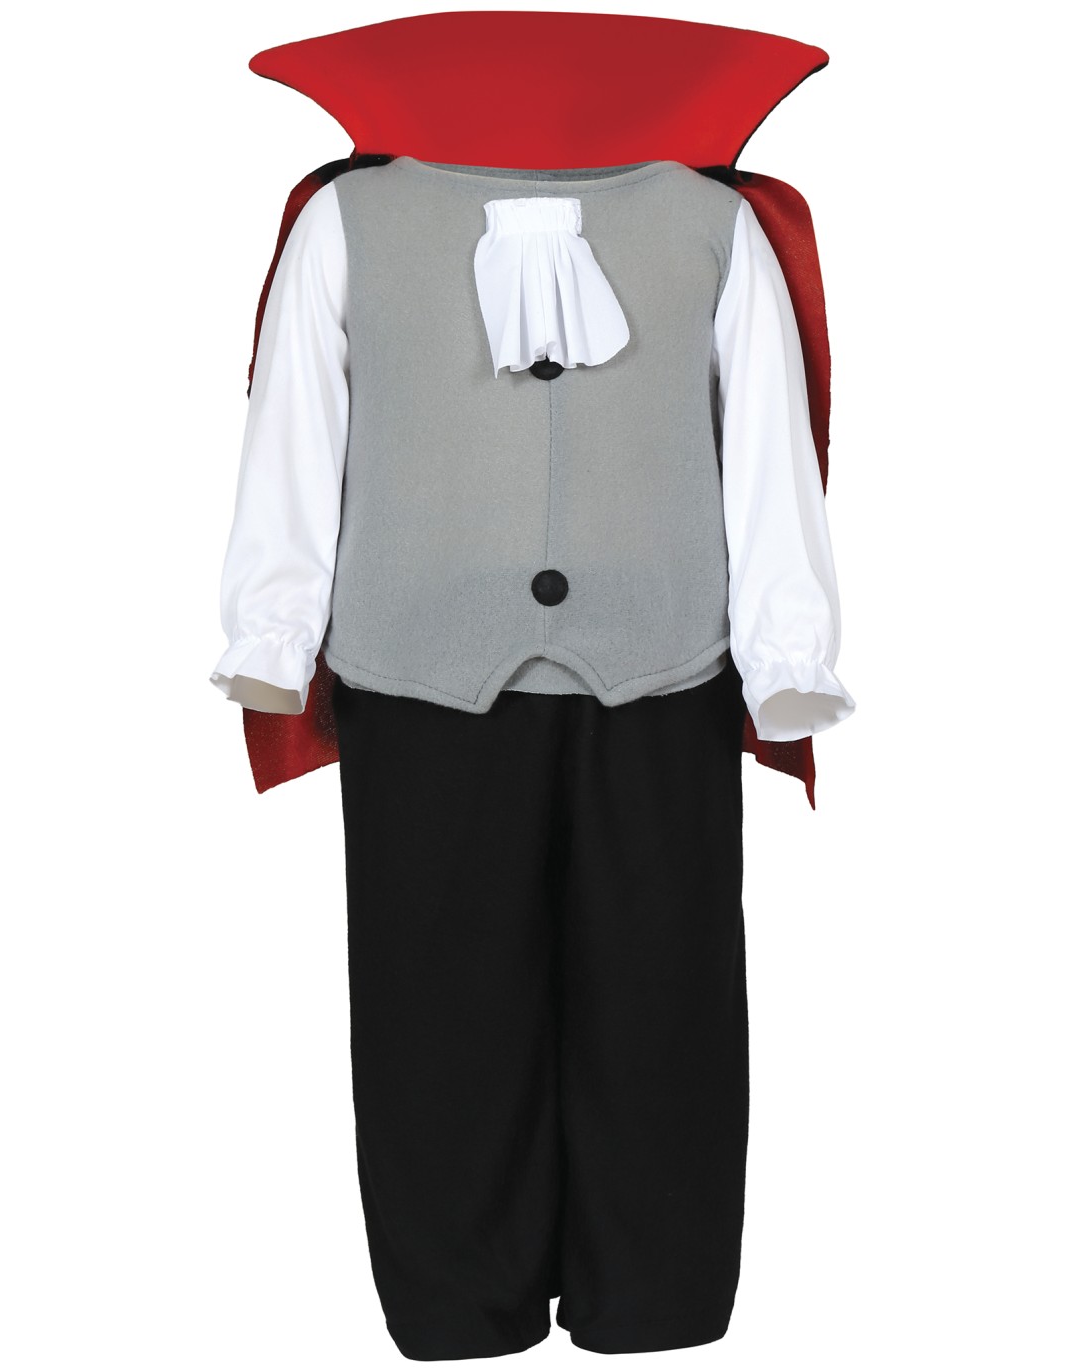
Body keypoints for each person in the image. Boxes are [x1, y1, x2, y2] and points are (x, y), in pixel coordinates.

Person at [209, 11, 857, 1360]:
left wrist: (790, 656)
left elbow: (767, 450)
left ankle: (657, 1298)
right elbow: (292, 429)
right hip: (419, 669)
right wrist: (272, 633)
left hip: (661, 666)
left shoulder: (710, 227)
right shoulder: (349, 221)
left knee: (665, 995)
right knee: (435, 999)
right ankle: (460, 1302)